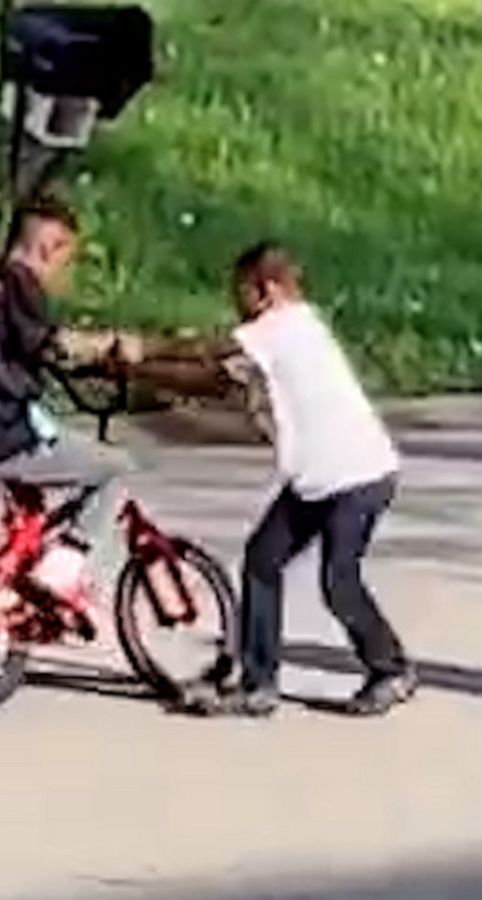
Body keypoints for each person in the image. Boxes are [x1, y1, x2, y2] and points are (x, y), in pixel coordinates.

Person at [186, 242, 418, 718]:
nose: (236, 306)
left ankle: (390, 669)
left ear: (267, 290)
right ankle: (259, 683)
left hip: (357, 477)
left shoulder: (283, 326)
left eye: (241, 294)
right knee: (262, 560)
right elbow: (214, 376)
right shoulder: (294, 327)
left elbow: (209, 350)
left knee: (338, 579)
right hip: (318, 475)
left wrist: (133, 349)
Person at [0, 198, 126, 589]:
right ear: (51, 248)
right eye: (65, 259)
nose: (61, 272)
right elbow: (50, 345)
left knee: (31, 509)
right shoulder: (21, 283)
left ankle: (10, 589)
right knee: (114, 468)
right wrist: (106, 347)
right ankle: (63, 564)